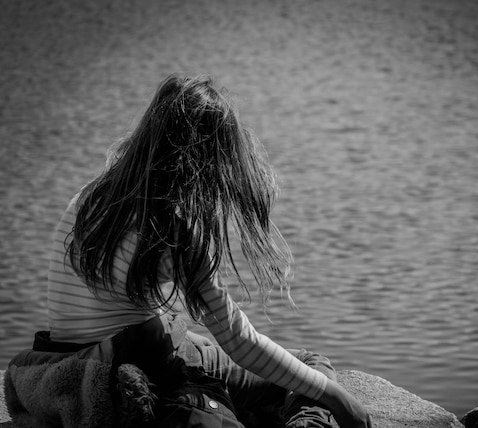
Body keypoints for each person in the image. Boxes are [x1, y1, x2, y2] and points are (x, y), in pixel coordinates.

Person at [44, 73, 372, 427]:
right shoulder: (173, 227)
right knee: (312, 369)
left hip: (72, 362)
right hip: (139, 365)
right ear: (206, 160)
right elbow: (238, 340)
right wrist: (338, 399)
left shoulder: (91, 197)